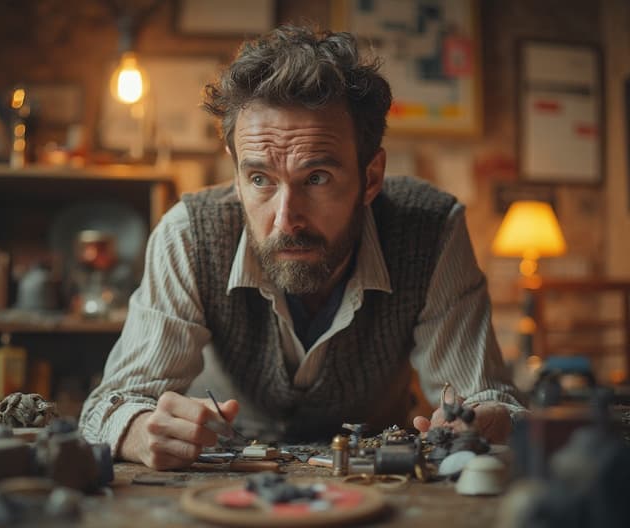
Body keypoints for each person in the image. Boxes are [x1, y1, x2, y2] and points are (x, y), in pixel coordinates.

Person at [80, 25, 526, 470]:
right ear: (236, 176)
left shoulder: (431, 230)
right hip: (217, 478)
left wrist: (488, 422)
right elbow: (110, 405)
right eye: (260, 180)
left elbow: (487, 401)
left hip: (372, 476)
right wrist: (139, 429)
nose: (285, 218)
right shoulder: (187, 234)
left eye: (316, 178)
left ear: (370, 178)